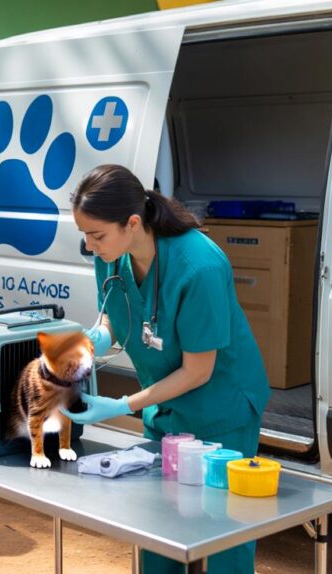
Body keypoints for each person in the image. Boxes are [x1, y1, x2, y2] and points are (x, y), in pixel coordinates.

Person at [61, 164, 270, 574]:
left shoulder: (200, 266)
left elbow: (198, 372)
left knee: (224, 533)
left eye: (97, 235)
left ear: (133, 222)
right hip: (166, 409)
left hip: (221, 408)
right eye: (84, 234)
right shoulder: (110, 254)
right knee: (159, 530)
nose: (90, 245)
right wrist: (98, 338)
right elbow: (115, 316)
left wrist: (120, 405)